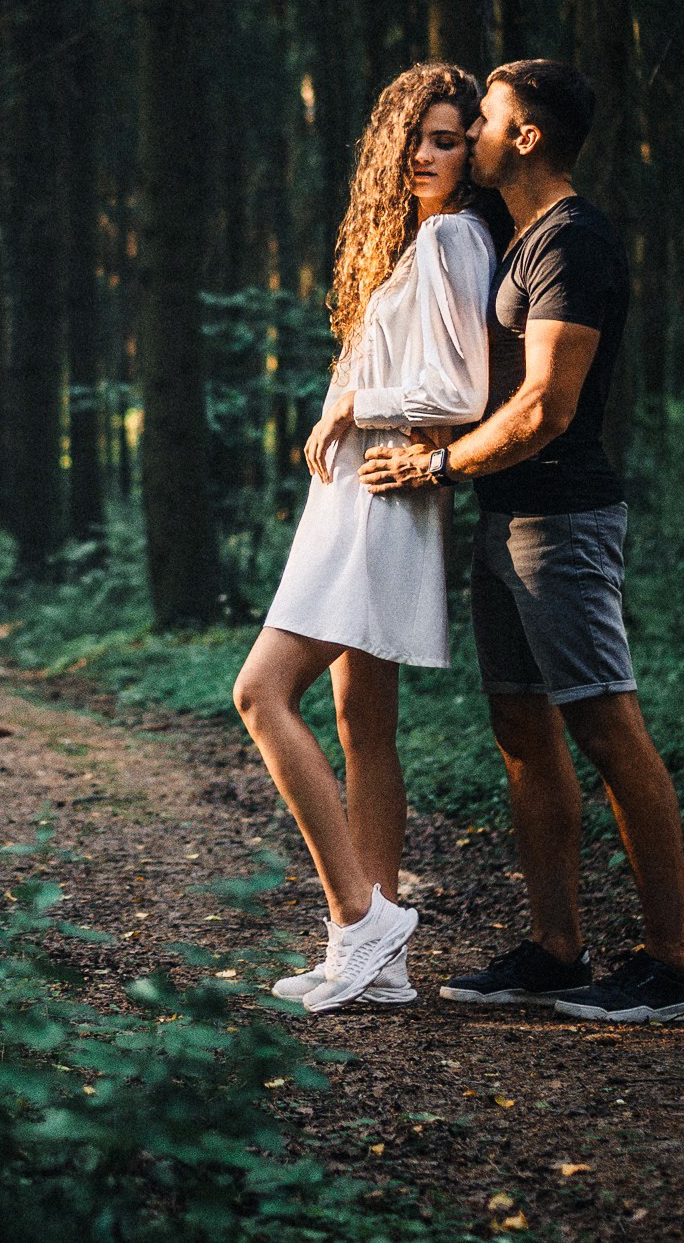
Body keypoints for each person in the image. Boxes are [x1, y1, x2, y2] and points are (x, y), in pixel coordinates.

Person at [358, 58, 684, 1024]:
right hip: (504, 516)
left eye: (485, 118)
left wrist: (436, 466)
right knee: (522, 731)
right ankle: (558, 948)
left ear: (525, 137)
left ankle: (672, 968)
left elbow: (548, 408)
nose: (466, 131)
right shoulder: (517, 240)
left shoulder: (574, 242)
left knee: (606, 724)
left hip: (560, 519)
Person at [233, 63, 500, 1013]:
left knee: (260, 693)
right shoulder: (413, 241)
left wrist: (356, 399)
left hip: (383, 496)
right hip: (359, 496)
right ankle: (375, 959)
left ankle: (360, 915)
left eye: (449, 139)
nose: (428, 155)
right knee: (363, 726)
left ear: (476, 149)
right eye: (417, 138)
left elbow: (466, 394)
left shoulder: (454, 241)